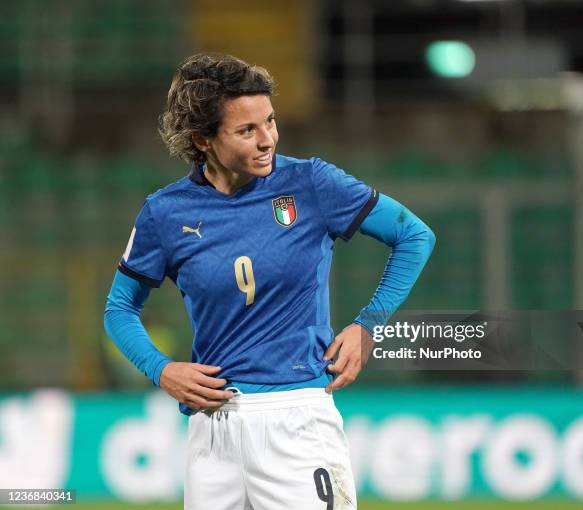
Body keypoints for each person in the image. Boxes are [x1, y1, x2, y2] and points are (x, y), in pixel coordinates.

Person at [104, 53, 435, 510]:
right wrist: (161, 369)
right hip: (212, 431)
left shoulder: (311, 183)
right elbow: (119, 308)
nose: (268, 141)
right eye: (247, 130)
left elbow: (414, 236)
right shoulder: (165, 213)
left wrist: (367, 325)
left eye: (271, 122)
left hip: (297, 420)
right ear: (203, 139)